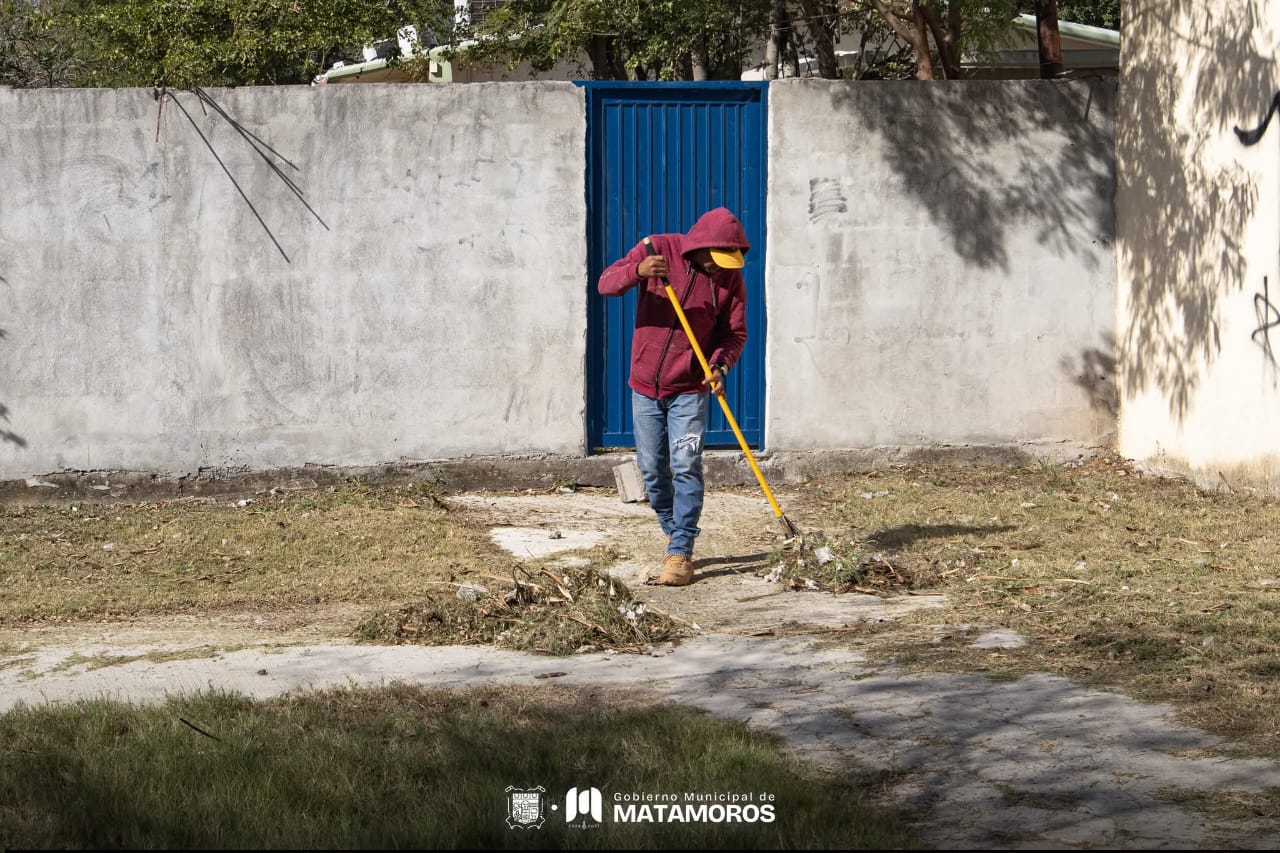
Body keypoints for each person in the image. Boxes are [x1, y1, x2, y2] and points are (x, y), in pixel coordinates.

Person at [597, 207, 750, 586]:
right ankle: (672, 529)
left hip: (690, 390)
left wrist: (719, 366)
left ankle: (681, 549)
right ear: (702, 246)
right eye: (715, 261)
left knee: (686, 465)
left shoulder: (729, 279)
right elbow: (606, 284)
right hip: (645, 386)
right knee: (652, 469)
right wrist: (638, 271)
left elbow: (734, 334)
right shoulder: (657, 249)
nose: (718, 269)